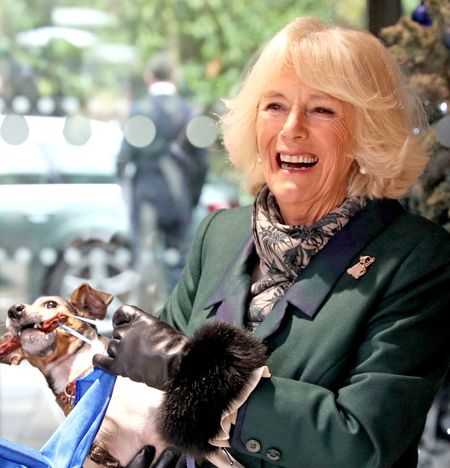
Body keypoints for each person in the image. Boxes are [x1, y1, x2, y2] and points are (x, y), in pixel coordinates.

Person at [95, 17, 450, 468]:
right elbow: (151, 394)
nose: (291, 128)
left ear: (367, 131)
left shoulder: (417, 258)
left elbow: (361, 442)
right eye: (275, 106)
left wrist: (190, 371)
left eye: (322, 110)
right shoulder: (219, 234)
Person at [117, 51, 209, 293]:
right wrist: (193, 198)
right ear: (174, 77)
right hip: (179, 197)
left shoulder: (139, 109)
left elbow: (124, 156)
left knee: (143, 260)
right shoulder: (189, 111)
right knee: (178, 265)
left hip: (145, 196)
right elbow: (202, 162)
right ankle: (175, 321)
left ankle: (142, 316)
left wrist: (127, 191)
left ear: (149, 78)